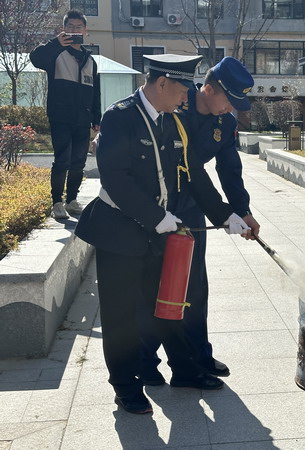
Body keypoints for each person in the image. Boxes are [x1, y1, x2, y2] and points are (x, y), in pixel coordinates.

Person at [74, 54, 251, 415]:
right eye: (183, 88)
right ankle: (126, 386)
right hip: (120, 231)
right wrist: (158, 218)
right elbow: (116, 179)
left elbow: (193, 174)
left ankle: (184, 369)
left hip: (158, 229)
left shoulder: (171, 122)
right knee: (122, 315)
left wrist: (226, 215)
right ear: (161, 83)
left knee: (169, 304)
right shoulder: (120, 117)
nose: (187, 95)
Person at [139, 57, 260, 385]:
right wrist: (223, 214)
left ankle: (198, 355)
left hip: (193, 205)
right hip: (160, 204)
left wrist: (242, 211)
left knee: (194, 285)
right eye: (228, 100)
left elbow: (230, 170)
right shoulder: (174, 105)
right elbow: (189, 166)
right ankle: (146, 361)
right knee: (158, 284)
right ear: (208, 89)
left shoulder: (226, 123)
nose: (230, 109)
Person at [30, 9, 101, 219]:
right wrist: (55, 43)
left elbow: (95, 92)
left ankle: (71, 200)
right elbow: (35, 58)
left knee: (79, 161)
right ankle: (57, 203)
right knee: (62, 160)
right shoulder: (56, 54)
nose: (75, 30)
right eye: (70, 27)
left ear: (85, 30)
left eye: (79, 27)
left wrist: (96, 118)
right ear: (64, 29)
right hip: (60, 117)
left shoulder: (91, 61)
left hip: (83, 119)